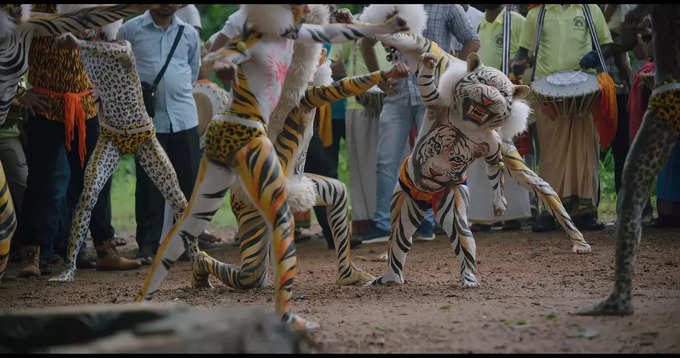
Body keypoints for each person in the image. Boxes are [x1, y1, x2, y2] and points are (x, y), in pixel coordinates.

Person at [17, 4, 141, 277]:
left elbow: (113, 50)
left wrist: (107, 92)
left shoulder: (94, 9)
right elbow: (9, 51)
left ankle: (105, 249)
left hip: (86, 107)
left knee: (97, 179)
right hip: (45, 106)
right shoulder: (32, 12)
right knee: (43, 183)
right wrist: (19, 92)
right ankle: (33, 255)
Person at [358, 4, 479, 244]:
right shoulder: (393, 6)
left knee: (430, 160)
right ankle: (383, 223)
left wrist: (452, 74)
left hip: (433, 97)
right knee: (386, 161)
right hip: (397, 96)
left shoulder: (447, 7)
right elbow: (366, 41)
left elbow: (472, 41)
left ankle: (428, 222)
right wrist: (379, 78)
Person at [513, 4, 614, 231]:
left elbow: (606, 46)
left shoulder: (590, 10)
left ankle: (585, 211)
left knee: (584, 149)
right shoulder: (536, 14)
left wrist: (595, 56)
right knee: (551, 153)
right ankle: (550, 211)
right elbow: (523, 52)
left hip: (584, 90)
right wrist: (516, 66)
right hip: (546, 92)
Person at [118, 4, 202, 262]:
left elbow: (193, 70)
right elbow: (121, 72)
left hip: (185, 117)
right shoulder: (130, 30)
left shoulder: (189, 33)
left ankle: (189, 244)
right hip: (147, 121)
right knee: (149, 184)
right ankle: (147, 245)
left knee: (189, 183)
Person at [467, 4, 531, 231]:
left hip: (508, 98)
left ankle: (513, 214)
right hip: (480, 101)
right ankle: (481, 215)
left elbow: (529, 54)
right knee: (479, 155)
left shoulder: (516, 21)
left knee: (509, 152)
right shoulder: (477, 26)